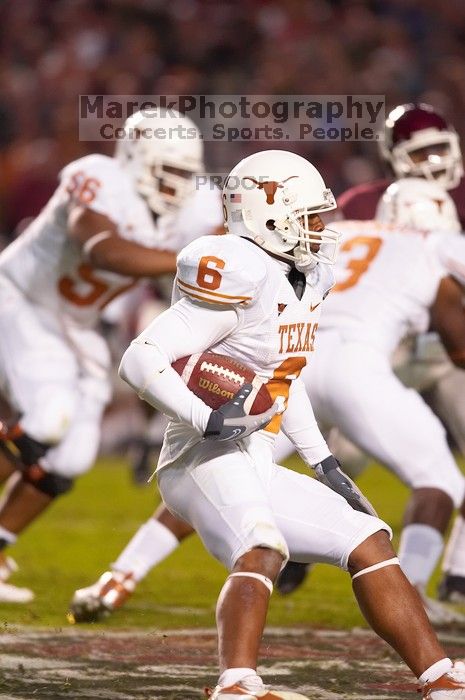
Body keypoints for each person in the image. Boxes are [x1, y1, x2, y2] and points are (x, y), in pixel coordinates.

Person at [119, 149, 465, 699]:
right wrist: (207, 417)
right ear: (267, 213)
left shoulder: (304, 277)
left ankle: (439, 677)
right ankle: (236, 684)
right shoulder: (237, 267)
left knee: (367, 538)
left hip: (252, 455)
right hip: (200, 458)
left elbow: (287, 378)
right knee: (262, 544)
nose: (321, 229)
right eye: (309, 216)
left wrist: (324, 463)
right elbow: (141, 357)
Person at [0, 108, 216, 603]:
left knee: (72, 456)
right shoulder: (100, 177)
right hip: (20, 299)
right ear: (137, 158)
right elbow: (102, 249)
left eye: (187, 172)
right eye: (170, 170)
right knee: (49, 417)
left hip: (75, 324)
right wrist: (192, 262)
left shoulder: (197, 207)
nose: (179, 183)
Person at [274, 177, 465, 626]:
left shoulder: (353, 229)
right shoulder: (433, 245)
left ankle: (124, 574)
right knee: (430, 474)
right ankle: (416, 586)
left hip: (311, 356)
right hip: (372, 362)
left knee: (260, 465)